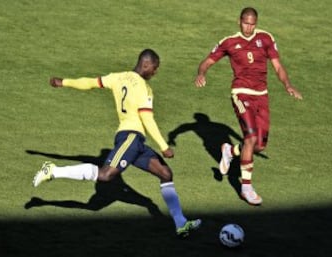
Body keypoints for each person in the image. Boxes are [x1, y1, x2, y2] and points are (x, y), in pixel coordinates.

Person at [33, 49, 201, 237]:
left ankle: (181, 223)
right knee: (105, 176)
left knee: (165, 173)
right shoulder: (143, 88)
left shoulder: (117, 77)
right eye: (155, 68)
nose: (155, 73)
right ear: (146, 64)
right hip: (130, 137)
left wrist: (64, 82)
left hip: (136, 142)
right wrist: (164, 146)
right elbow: (147, 119)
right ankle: (53, 171)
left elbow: (89, 83)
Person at [194, 7, 303, 205]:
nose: (249, 27)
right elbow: (207, 62)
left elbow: (278, 66)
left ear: (257, 23)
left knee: (259, 145)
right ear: (239, 21)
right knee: (251, 138)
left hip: (262, 96)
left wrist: (288, 85)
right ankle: (246, 187)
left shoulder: (266, 38)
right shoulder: (229, 42)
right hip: (241, 93)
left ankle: (230, 151)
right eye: (246, 23)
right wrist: (201, 74)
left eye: (252, 23)